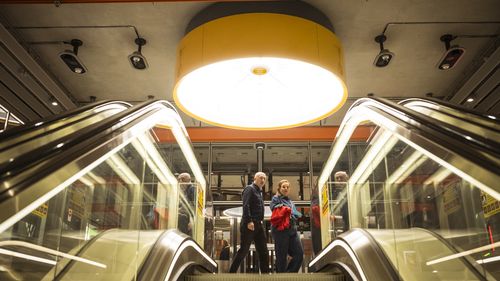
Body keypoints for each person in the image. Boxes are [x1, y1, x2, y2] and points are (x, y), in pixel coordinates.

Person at [229, 172, 269, 273]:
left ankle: (265, 275)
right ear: (255, 178)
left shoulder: (259, 191)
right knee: (244, 250)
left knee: (263, 250)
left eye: (264, 179)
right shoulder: (249, 189)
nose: (263, 180)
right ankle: (231, 272)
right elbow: (245, 205)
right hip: (249, 223)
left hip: (258, 224)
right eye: (261, 178)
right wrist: (249, 221)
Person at [270, 179, 304, 272]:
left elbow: (295, 213)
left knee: (299, 254)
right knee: (281, 257)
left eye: (287, 187)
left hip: (292, 229)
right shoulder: (276, 198)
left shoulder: (290, 201)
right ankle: (281, 277)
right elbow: (273, 207)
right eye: (283, 187)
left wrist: (295, 213)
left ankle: (288, 275)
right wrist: (287, 210)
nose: (285, 188)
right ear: (279, 188)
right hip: (281, 230)